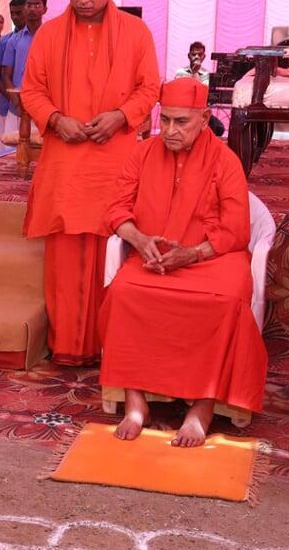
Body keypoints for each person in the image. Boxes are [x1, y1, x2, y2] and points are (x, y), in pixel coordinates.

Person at [102, 78, 266, 446]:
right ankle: (135, 400)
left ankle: (202, 406)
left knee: (225, 303)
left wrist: (193, 253)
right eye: (167, 120)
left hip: (211, 259)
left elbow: (237, 229)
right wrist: (140, 240)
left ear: (205, 118)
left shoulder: (226, 160)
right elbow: (115, 209)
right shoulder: (142, 153)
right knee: (125, 292)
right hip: (153, 258)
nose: (171, 131)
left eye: (182, 122)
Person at [20, 0, 160, 366]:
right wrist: (55, 119)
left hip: (114, 160)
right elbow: (31, 91)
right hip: (64, 161)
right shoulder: (48, 35)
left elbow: (150, 86)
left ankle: (110, 346)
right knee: (65, 255)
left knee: (112, 249)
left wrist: (121, 116)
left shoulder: (136, 33)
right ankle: (67, 345)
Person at [0, 0, 45, 142]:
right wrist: (16, 101)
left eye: (37, 5)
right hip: (16, 108)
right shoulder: (12, 41)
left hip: (43, 107)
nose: (32, 9)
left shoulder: (51, 37)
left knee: (39, 154)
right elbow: (5, 75)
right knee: (11, 154)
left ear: (45, 9)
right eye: (29, 5)